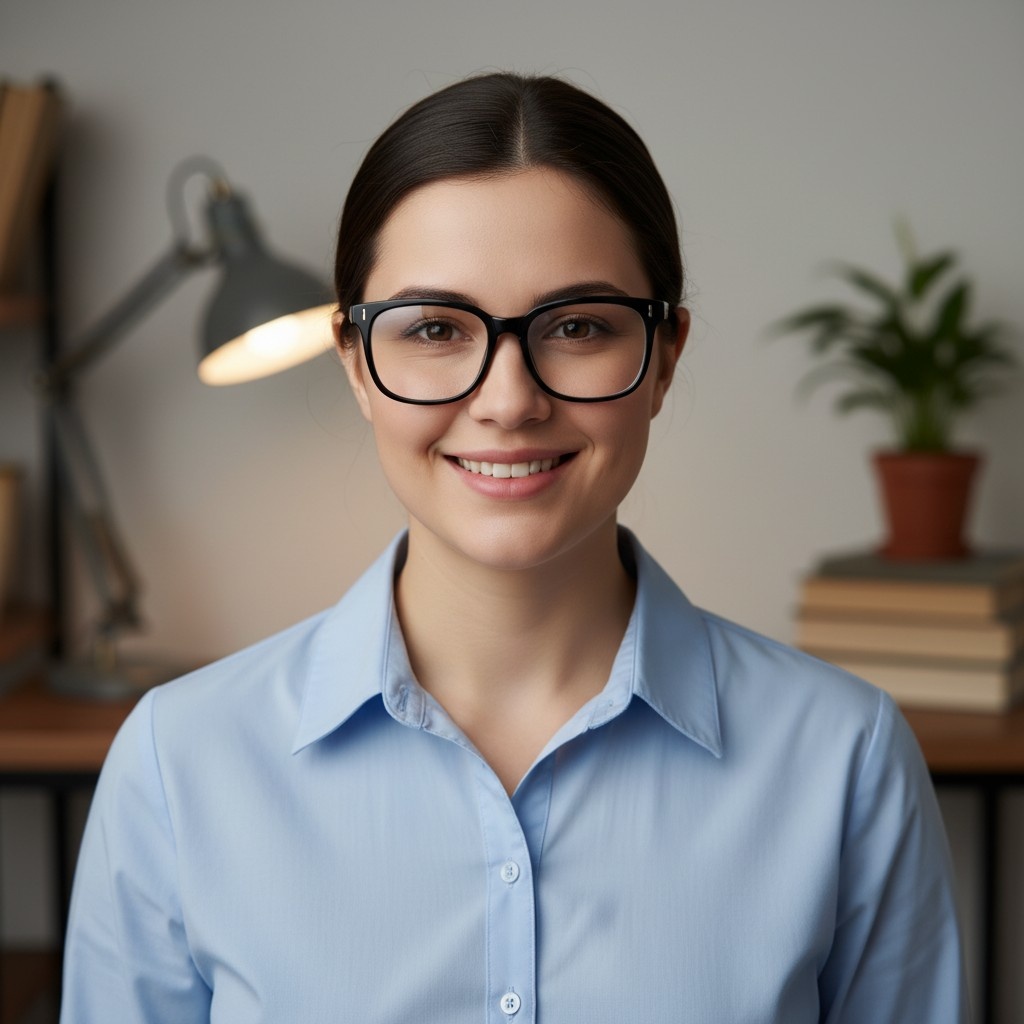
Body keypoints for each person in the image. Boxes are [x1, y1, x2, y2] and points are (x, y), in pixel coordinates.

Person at [61, 73, 968, 1023]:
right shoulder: (180, 763)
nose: (508, 400)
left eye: (576, 327)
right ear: (355, 364)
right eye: (435, 329)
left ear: (664, 357)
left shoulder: (844, 760)